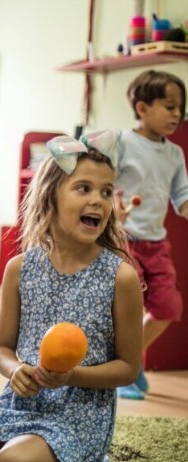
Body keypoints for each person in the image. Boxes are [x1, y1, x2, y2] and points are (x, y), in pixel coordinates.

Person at [0, 131, 143, 462]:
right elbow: (0, 349)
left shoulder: (121, 277)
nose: (98, 200)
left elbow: (129, 368)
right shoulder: (19, 269)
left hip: (80, 419)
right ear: (51, 196)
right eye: (83, 188)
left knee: (14, 460)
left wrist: (71, 376)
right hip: (17, 404)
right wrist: (15, 370)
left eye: (106, 192)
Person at [114, 70, 188, 400]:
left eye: (180, 108)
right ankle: (121, 371)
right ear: (142, 108)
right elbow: (104, 183)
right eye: (169, 106)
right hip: (124, 240)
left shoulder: (175, 154)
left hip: (156, 244)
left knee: (168, 306)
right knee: (129, 307)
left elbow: (182, 198)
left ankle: (130, 363)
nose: (177, 114)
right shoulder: (123, 143)